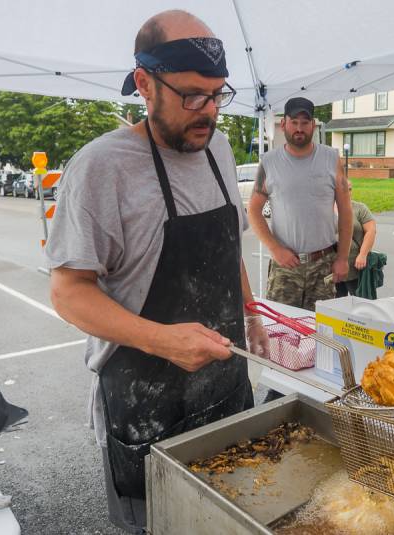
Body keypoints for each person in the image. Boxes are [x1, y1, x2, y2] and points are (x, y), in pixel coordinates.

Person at [44, 10, 269, 532]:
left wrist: (251, 311)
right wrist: (161, 340)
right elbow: (68, 292)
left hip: (226, 388)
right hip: (143, 403)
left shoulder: (216, 146)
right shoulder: (102, 167)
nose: (208, 112)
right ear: (144, 84)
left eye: (217, 95)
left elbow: (227, 244)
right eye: (192, 95)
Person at [248, 97, 353, 311]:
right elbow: (253, 210)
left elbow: (345, 211)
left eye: (305, 123)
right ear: (283, 123)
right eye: (294, 122)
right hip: (285, 266)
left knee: (323, 333)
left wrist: (343, 257)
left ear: (313, 125)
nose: (299, 128)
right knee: (282, 331)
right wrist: (275, 248)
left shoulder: (331, 158)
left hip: (323, 265)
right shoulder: (268, 162)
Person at [335, 181, 377, 297]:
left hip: (356, 265)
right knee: (334, 305)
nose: (348, 193)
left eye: (350, 189)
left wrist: (363, 255)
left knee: (360, 302)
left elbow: (371, 231)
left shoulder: (360, 208)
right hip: (331, 268)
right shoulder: (325, 209)